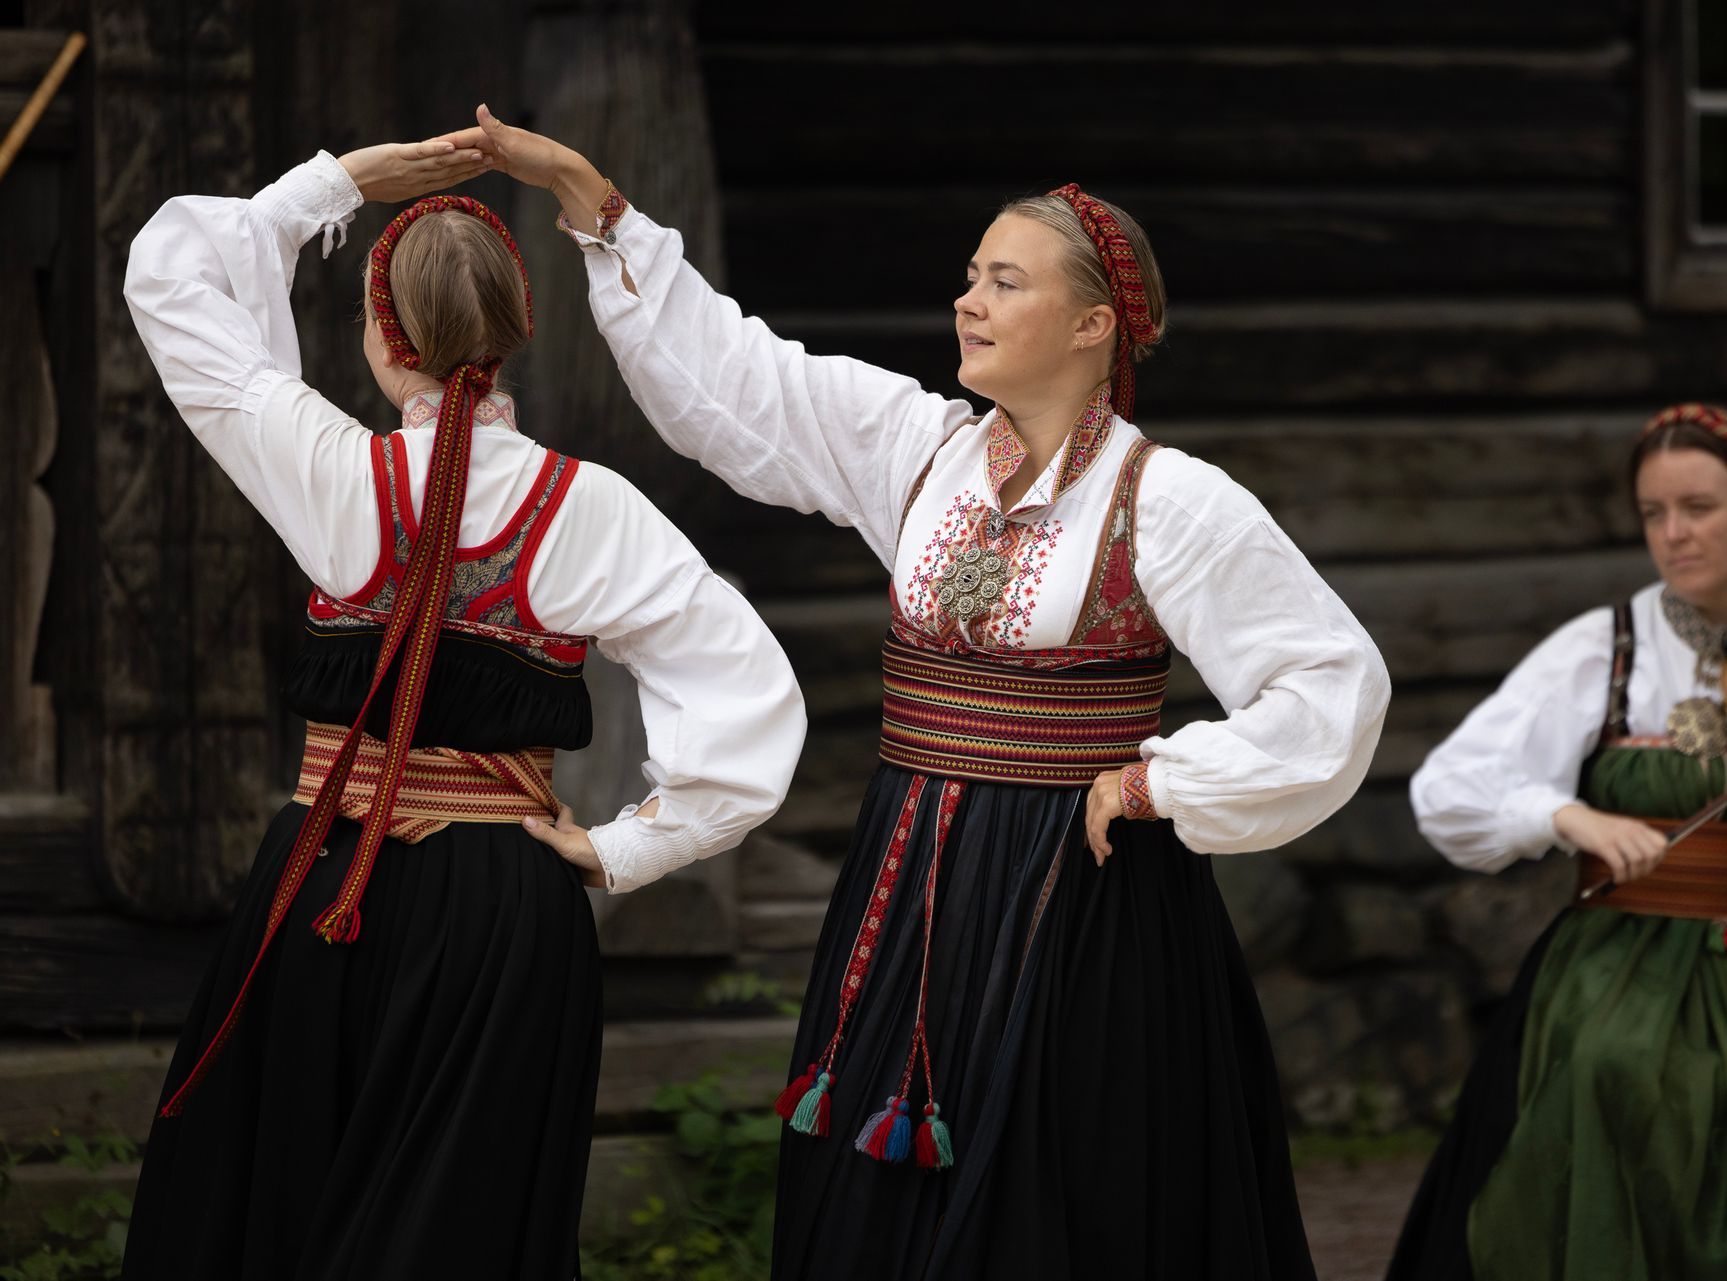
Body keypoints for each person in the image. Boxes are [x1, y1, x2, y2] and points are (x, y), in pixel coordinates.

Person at [467, 105, 1390, 1279]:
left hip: (1078, 899)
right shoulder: (924, 452)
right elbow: (748, 382)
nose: (969, 301)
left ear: (1096, 324)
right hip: (913, 884)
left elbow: (1329, 681)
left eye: (1005, 282)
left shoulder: (1171, 501)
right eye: (970, 277)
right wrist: (598, 210)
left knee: (1064, 1189)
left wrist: (1165, 780)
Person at [118, 136, 805, 1279]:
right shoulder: (594, 509)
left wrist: (337, 185)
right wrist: (631, 846)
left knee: (287, 1198)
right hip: (499, 902)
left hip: (329, 876)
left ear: (385, 341)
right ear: (516, 329)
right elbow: (747, 689)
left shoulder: (322, 463)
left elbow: (170, 272)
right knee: (457, 1232)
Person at [1387, 403, 1727, 1280]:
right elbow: (1451, 787)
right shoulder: (1605, 648)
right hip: (1624, 955)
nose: (1674, 534)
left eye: (1700, 507)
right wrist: (1569, 817)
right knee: (1619, 1068)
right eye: (1653, 513)